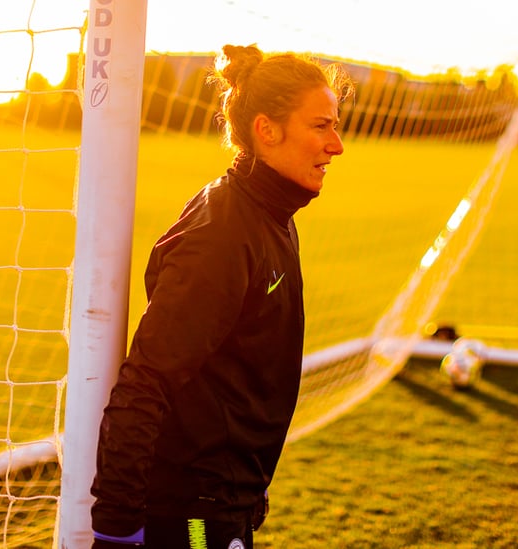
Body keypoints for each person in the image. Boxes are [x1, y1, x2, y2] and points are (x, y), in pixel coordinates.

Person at [90, 44, 353, 549]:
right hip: (193, 515)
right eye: (321, 126)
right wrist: (116, 531)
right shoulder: (223, 235)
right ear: (266, 129)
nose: (336, 145)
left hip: (223, 503)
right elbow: (146, 383)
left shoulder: (269, 216)